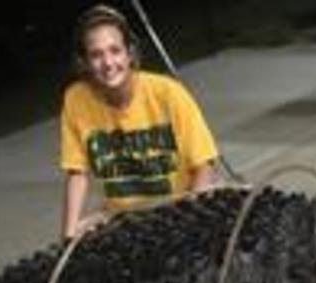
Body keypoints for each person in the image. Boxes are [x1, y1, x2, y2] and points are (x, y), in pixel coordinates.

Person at [60, 4, 220, 240]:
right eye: (96, 55)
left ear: (130, 53)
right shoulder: (76, 99)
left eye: (115, 50)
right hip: (123, 216)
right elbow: (77, 172)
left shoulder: (168, 93)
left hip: (179, 206)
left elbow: (204, 166)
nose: (108, 63)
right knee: (82, 235)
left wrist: (189, 220)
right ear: (83, 62)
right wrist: (68, 235)